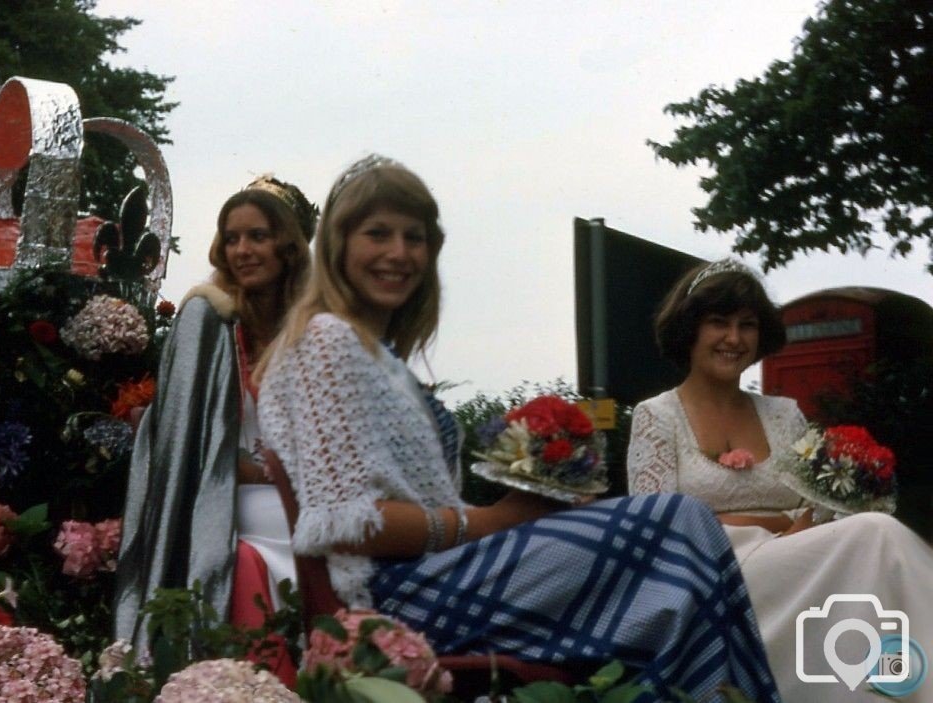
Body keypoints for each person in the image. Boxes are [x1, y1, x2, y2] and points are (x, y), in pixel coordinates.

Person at [257, 155, 783, 702]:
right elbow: (343, 523)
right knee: (678, 524)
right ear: (339, 244)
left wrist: (531, 515)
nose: (398, 253)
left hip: (435, 578)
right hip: (395, 599)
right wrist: (491, 521)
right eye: (378, 234)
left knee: (677, 562)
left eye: (415, 238)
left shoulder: (377, 356)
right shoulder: (327, 341)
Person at [627, 259, 933, 702]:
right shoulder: (656, 416)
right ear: (689, 329)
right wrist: (776, 527)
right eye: (718, 323)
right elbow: (657, 526)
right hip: (714, 571)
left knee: (881, 547)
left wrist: (806, 524)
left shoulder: (783, 413)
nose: (734, 339)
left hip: (800, 550)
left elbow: (820, 495)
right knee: (877, 533)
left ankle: (890, 688)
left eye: (747, 325)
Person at [114, 176, 315, 680]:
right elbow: (180, 443)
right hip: (225, 503)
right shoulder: (207, 318)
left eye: (258, 236)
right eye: (232, 238)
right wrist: (258, 469)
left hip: (311, 502)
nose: (243, 249)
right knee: (246, 559)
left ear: (288, 246)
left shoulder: (316, 327)